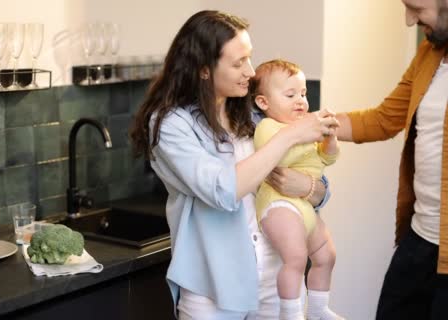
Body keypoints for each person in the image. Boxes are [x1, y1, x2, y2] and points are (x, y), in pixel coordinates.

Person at [129, 10, 338, 319]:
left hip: (275, 280)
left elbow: (314, 183)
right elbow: (223, 190)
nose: (251, 72)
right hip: (213, 289)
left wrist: (310, 189)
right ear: (203, 69)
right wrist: (291, 135)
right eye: (238, 63)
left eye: (249, 58)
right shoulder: (172, 124)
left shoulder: (253, 112)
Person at [334, 0, 448, 319]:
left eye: (416, 7)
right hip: (420, 238)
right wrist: (308, 124)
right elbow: (384, 119)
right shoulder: (429, 54)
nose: (409, 20)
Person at [250, 59, 343, 320]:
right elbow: (278, 161)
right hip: (279, 204)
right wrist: (303, 133)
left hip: (305, 206)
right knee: (296, 258)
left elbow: (326, 160)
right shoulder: (268, 127)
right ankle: (290, 313)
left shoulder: (305, 128)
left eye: (302, 93)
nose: (301, 100)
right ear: (263, 103)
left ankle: (317, 309)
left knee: (326, 255)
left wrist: (329, 140)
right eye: (290, 95)